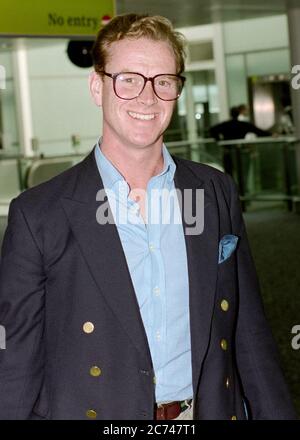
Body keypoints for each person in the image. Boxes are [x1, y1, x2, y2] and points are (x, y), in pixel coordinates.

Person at [0, 14, 296, 421]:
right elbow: (15, 359)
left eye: (163, 81)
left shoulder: (214, 192)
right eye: (128, 79)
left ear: (177, 91)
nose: (147, 98)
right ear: (96, 86)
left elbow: (248, 330)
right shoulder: (39, 214)